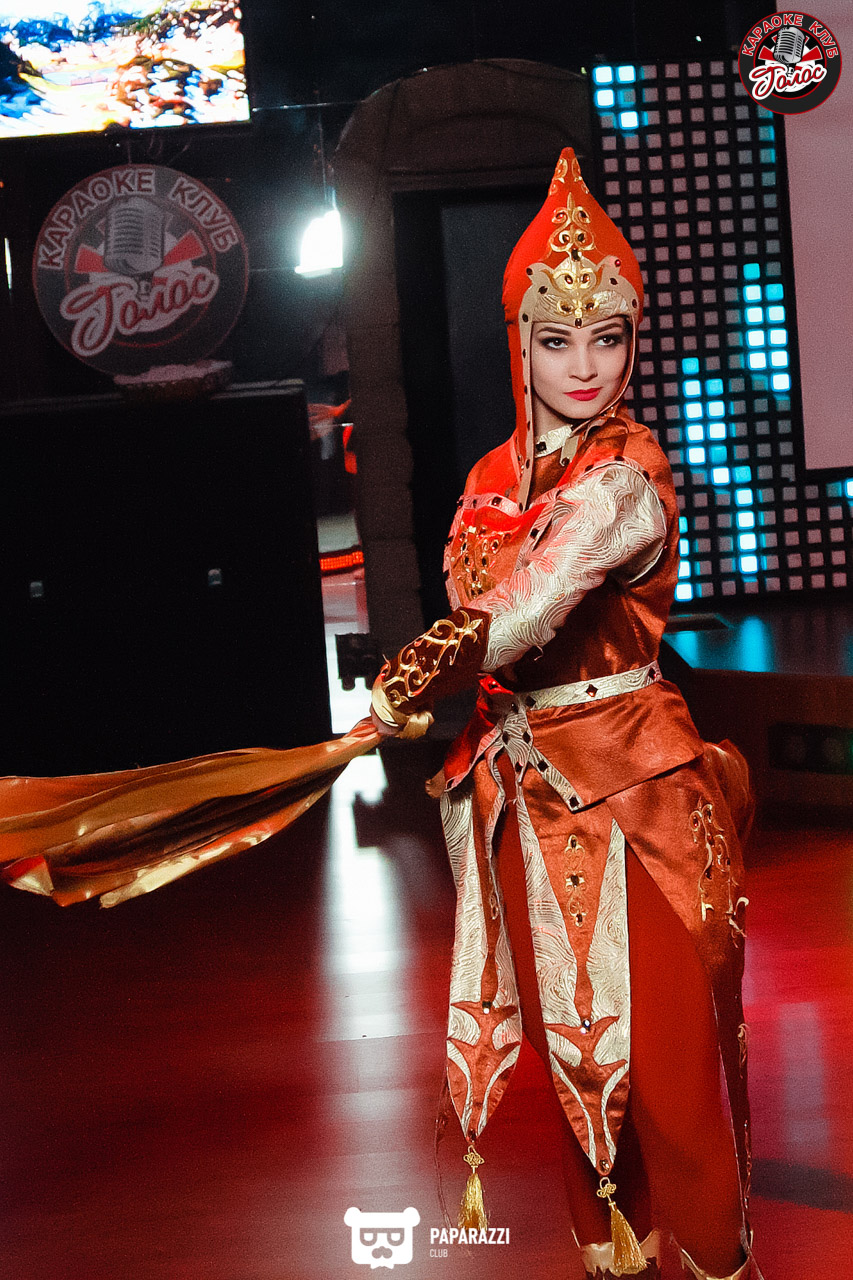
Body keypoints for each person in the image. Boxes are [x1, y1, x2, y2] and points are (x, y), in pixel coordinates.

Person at [369, 148, 763, 1280]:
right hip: (521, 807)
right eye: (556, 339)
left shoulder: (625, 474)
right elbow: (484, 614)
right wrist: (426, 685)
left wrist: (407, 679)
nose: (585, 366)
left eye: (608, 337)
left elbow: (526, 608)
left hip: (635, 801)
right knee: (581, 1088)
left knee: (671, 1082)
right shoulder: (485, 476)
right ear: (519, 344)